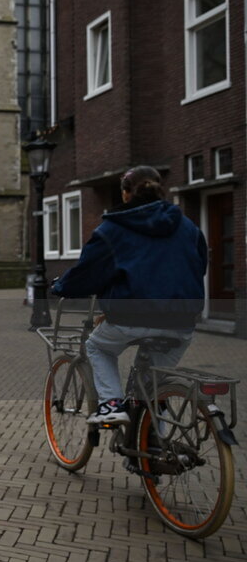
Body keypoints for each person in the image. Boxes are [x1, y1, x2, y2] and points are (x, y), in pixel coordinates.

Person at [52, 166, 207, 424]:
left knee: (97, 347)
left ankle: (111, 405)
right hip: (181, 321)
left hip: (130, 317)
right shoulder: (188, 227)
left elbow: (88, 272)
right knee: (152, 388)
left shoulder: (113, 229)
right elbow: (199, 265)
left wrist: (61, 287)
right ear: (161, 191)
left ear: (125, 194)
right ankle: (156, 446)